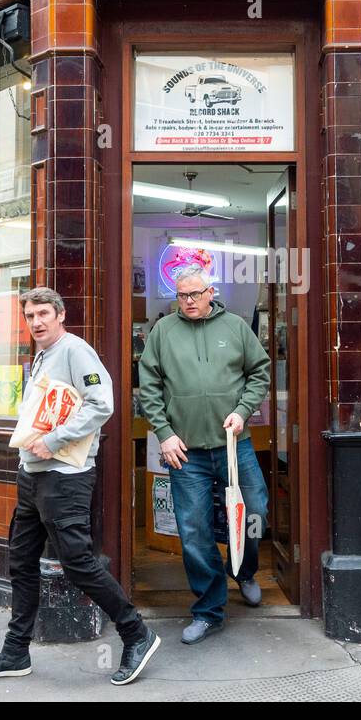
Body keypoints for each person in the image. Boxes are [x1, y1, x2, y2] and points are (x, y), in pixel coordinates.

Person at [0, 287, 160, 685]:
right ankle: (15, 652)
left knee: (77, 563)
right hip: (32, 475)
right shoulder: (40, 355)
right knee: (21, 562)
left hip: (65, 477)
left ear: (60, 315)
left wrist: (53, 441)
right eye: (30, 315)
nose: (36, 322)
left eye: (43, 314)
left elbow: (101, 404)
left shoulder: (75, 350)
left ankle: (137, 633)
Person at [138, 265, 272, 645]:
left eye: (196, 294)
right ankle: (209, 609)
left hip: (233, 445)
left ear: (210, 292)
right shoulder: (163, 332)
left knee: (256, 511)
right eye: (182, 295)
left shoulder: (235, 327)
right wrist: (164, 434)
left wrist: (242, 411)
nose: (189, 301)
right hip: (186, 453)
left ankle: (244, 570)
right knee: (194, 530)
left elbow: (259, 372)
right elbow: (148, 386)